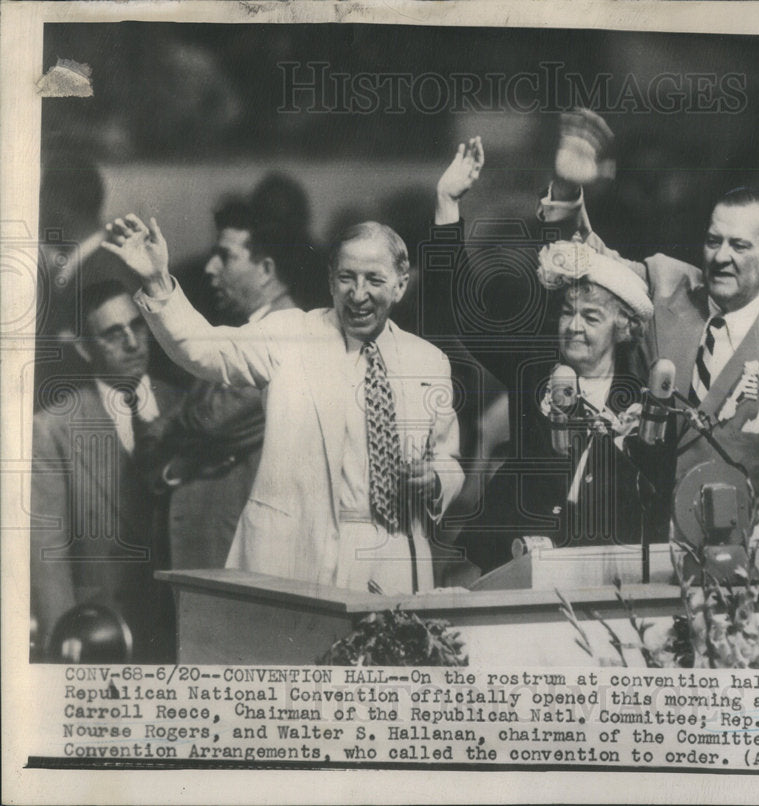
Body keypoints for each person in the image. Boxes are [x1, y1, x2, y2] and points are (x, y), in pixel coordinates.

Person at [541, 110, 759, 575]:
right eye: (713, 241)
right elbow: (584, 264)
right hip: (632, 559)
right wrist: (567, 189)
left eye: (739, 246)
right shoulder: (664, 285)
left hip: (732, 576)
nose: (721, 257)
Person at [103, 214, 463, 594]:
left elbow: (448, 460)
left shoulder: (429, 362)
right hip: (300, 554)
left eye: (374, 280)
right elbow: (202, 348)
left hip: (394, 559)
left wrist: (436, 480)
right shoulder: (291, 335)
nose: (358, 294)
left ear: (400, 284)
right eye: (347, 278)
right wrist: (157, 281)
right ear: (331, 280)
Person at [427, 139, 656, 574]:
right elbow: (459, 309)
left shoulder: (644, 400)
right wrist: (447, 203)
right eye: (568, 312)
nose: (573, 326)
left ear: (624, 327)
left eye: (591, 316)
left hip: (598, 573)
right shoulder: (533, 367)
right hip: (507, 561)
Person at [137, 198, 305, 570]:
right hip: (212, 543)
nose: (210, 267)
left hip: (233, 552)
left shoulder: (287, 338)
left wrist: (172, 424)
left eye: (225, 256)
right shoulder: (245, 333)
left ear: (265, 269)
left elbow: (212, 419)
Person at [31, 281, 183, 662]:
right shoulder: (53, 429)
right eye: (113, 334)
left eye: (137, 325)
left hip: (182, 628)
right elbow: (49, 557)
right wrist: (66, 651)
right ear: (85, 348)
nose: (132, 342)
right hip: (105, 633)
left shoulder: (185, 406)